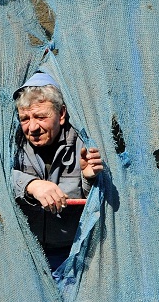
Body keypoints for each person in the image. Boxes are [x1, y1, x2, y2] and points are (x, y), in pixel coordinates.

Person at [11, 71, 103, 271]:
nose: (32, 127)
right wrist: (31, 185)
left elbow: (97, 206)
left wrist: (89, 178)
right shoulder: (11, 142)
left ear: (61, 114)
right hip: (22, 254)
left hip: (72, 256)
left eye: (41, 117)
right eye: (25, 119)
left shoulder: (83, 144)